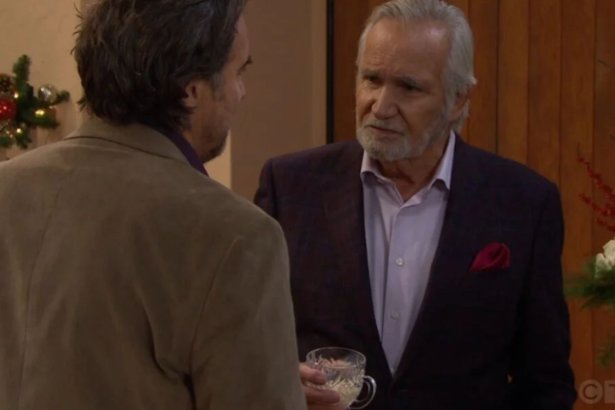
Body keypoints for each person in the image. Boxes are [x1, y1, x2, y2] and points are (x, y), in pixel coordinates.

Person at [255, 0, 576, 408]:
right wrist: (281, 386)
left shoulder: (524, 204)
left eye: (408, 87)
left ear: (458, 99)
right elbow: (244, 344)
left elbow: (546, 384)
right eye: (371, 79)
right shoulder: (290, 187)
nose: (380, 106)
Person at [0, 1, 306, 409]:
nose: (242, 92)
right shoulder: (237, 236)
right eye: (239, 72)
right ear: (191, 90)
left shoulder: (7, 187)